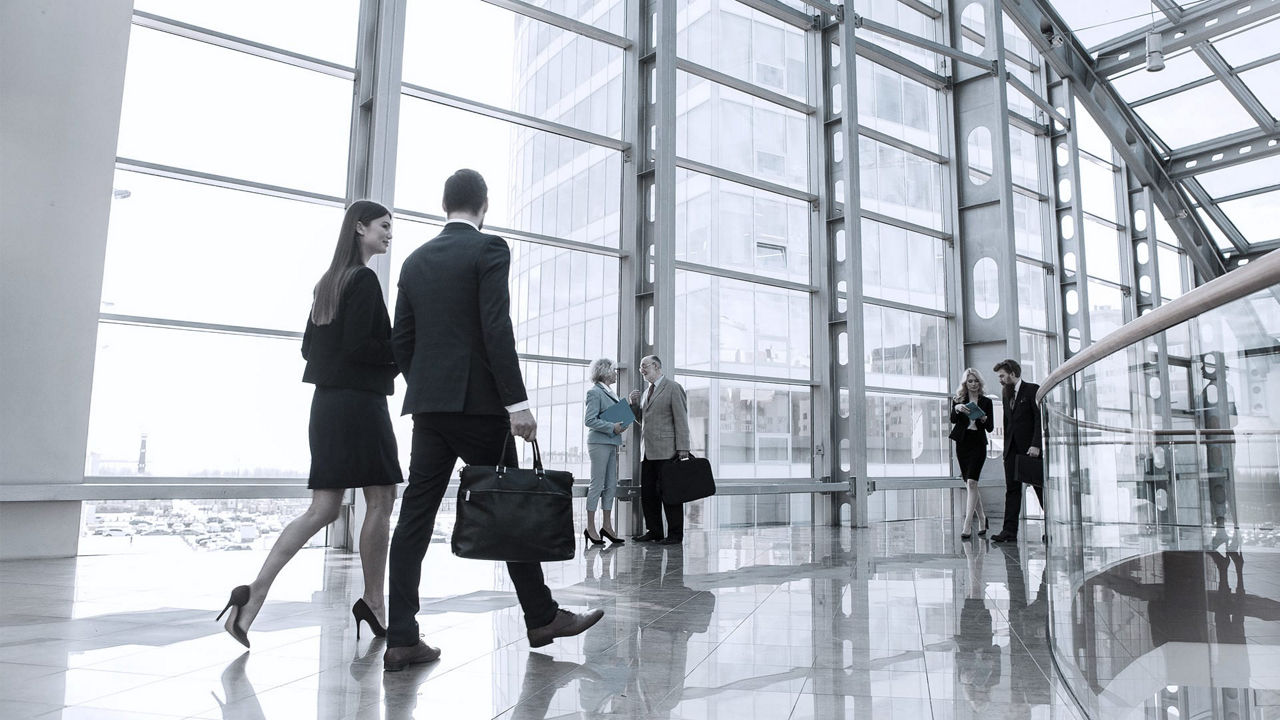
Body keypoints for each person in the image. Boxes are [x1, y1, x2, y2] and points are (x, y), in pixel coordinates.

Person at [382, 169, 603, 672]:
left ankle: (401, 637)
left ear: (445, 205)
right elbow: (495, 325)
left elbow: (402, 341)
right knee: (508, 506)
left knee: (414, 519)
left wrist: (430, 384)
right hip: (481, 407)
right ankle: (542, 617)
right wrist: (516, 402)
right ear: (483, 206)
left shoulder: (415, 261)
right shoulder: (489, 250)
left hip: (430, 409)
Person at [217, 201, 401, 648]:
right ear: (359, 227)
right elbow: (362, 345)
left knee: (322, 509)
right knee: (381, 500)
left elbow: (308, 350)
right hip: (359, 406)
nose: (389, 233)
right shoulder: (364, 280)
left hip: (327, 407)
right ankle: (374, 603)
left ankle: (253, 594)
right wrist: (402, 351)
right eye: (383, 225)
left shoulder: (328, 284)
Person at [627, 355, 691, 545]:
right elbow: (643, 422)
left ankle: (675, 535)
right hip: (648, 451)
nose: (641, 370)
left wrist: (683, 447)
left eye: (643, 366)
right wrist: (633, 405)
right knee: (648, 494)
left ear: (656, 366)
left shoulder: (672, 387)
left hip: (668, 451)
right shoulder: (647, 392)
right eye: (640, 368)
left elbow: (681, 418)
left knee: (670, 493)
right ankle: (654, 531)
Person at [989, 359, 1043, 544]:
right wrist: (1006, 450)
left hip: (1030, 450)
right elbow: (1007, 423)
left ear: (1012, 373)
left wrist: (1036, 444)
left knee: (1039, 489)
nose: (1001, 380)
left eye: (1002, 376)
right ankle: (1009, 531)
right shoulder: (1006, 394)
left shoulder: (1032, 390)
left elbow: (1039, 419)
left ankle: (1052, 528)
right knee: (1012, 491)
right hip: (1011, 451)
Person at [583, 358, 625, 546]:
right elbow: (589, 420)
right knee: (597, 484)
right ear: (605, 371)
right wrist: (611, 427)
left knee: (610, 485)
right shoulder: (594, 392)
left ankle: (607, 526)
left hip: (611, 442)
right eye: (614, 371)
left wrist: (619, 425)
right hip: (599, 443)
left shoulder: (609, 392)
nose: (616, 373)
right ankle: (590, 527)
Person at [950, 368, 994, 540]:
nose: (974, 384)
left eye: (976, 381)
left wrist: (984, 419)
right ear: (965, 383)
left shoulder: (986, 402)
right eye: (970, 381)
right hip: (962, 443)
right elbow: (953, 420)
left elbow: (990, 427)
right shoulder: (959, 399)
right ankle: (983, 518)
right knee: (970, 485)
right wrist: (958, 409)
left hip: (978, 443)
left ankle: (968, 523)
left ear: (979, 383)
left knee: (972, 481)